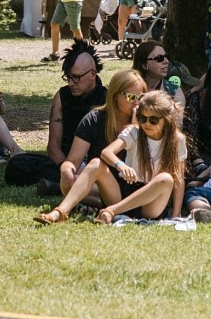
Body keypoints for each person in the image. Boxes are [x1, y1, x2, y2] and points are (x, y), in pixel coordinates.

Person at [35, 89, 186, 224]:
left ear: (166, 119)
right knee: (95, 163)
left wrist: (176, 213)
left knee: (166, 179)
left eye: (153, 120)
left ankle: (112, 211)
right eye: (142, 118)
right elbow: (106, 153)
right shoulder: (134, 133)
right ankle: (60, 212)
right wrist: (121, 165)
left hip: (150, 202)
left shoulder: (176, 139)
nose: (146, 124)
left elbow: (178, 179)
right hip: (124, 190)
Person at [53, 67, 144, 205]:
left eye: (141, 98)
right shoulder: (95, 120)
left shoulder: (149, 121)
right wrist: (65, 170)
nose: (137, 103)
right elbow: (73, 161)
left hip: (138, 188)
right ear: (115, 96)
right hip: (105, 184)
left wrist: (135, 130)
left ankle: (86, 202)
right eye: (131, 97)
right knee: (74, 180)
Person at [43, 40, 107, 193]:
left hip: (95, 164)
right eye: (68, 77)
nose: (71, 83)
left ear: (93, 74)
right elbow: (53, 146)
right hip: (65, 163)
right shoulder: (62, 96)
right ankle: (69, 183)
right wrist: (65, 169)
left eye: (76, 78)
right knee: (18, 165)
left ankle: (59, 187)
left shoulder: (107, 98)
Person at [131, 39, 186, 110]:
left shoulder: (174, 93)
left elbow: (177, 120)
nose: (166, 61)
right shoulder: (129, 89)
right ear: (144, 65)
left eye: (166, 57)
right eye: (160, 58)